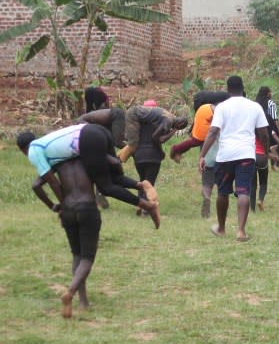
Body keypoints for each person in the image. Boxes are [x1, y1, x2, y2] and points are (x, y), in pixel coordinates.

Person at [18, 125, 161, 227]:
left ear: (23, 150)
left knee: (106, 187)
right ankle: (142, 184)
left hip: (87, 139)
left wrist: (65, 206)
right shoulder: (47, 144)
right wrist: (54, 205)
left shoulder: (33, 151)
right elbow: (40, 182)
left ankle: (148, 206)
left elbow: (53, 182)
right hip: (97, 130)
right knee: (112, 178)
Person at [199, 76, 271, 243]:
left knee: (223, 192)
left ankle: (221, 228)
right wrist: (266, 151)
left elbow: (213, 132)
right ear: (242, 87)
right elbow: (264, 134)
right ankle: (241, 231)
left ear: (228, 89)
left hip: (225, 156)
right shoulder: (255, 107)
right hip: (246, 155)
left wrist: (202, 155)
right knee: (244, 191)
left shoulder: (222, 107)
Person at [54, 159, 102, 318]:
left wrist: (55, 205)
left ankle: (84, 301)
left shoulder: (58, 162)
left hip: (68, 210)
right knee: (87, 258)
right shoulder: (87, 159)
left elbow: (36, 184)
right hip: (88, 208)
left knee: (77, 255)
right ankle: (70, 292)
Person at [133, 109, 179, 219]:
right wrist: (174, 130)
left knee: (142, 180)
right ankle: (145, 208)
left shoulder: (137, 123)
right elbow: (158, 140)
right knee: (149, 182)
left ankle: (139, 205)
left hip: (138, 155)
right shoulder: (159, 123)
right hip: (152, 156)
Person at [118, 104, 187, 163]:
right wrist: (174, 130)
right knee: (133, 145)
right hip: (134, 115)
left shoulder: (170, 117)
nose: (179, 129)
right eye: (181, 128)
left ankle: (117, 158)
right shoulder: (168, 121)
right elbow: (156, 138)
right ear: (181, 124)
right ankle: (116, 164)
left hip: (135, 112)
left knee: (135, 142)